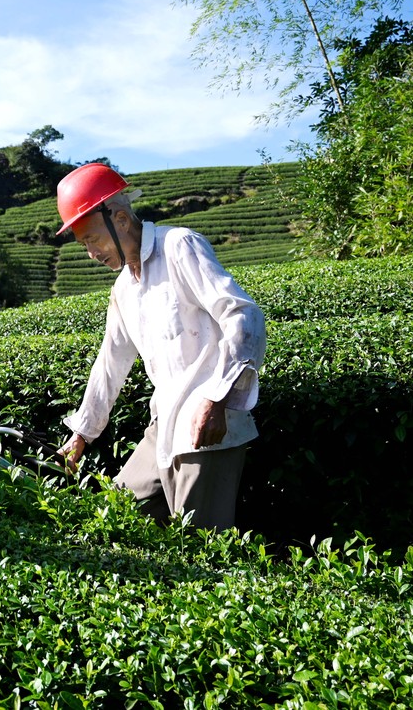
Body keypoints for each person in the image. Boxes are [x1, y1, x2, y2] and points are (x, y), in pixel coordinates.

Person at [55, 163, 266, 531]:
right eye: (84, 244)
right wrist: (81, 434)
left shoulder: (179, 246)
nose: (91, 253)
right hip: (164, 424)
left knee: (200, 543)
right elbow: (110, 363)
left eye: (92, 239)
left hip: (208, 426)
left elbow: (243, 315)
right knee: (115, 517)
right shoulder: (124, 288)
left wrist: (216, 398)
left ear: (121, 219)